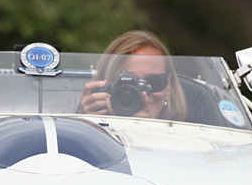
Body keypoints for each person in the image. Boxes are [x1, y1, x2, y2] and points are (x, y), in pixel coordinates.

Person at [77, 30, 219, 124]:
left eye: (154, 82)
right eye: (128, 83)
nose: (143, 93)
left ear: (168, 85)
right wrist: (86, 123)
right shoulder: (92, 138)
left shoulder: (191, 137)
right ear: (105, 86)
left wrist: (148, 132)